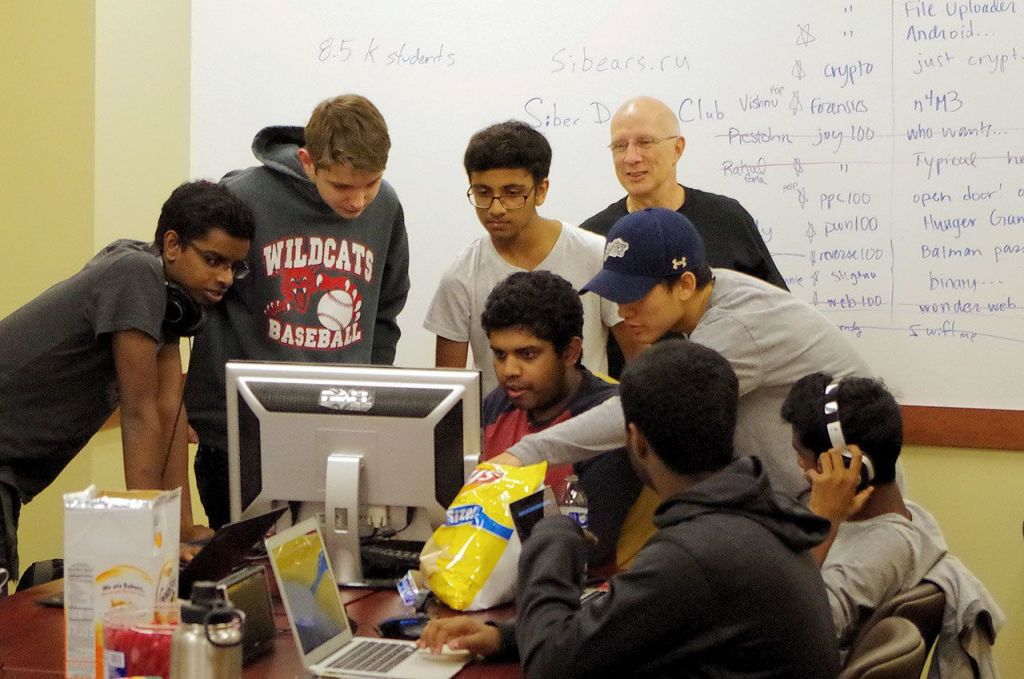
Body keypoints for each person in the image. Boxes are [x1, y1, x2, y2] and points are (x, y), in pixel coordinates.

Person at [419, 340, 841, 679]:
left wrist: (552, 535)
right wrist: (504, 637)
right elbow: (627, 625)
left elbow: (551, 665)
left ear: (635, 441)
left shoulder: (697, 553)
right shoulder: (753, 513)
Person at [495, 207, 873, 502]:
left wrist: (524, 453)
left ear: (685, 284)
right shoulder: (714, 297)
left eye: (635, 296)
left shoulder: (736, 327)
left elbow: (645, 406)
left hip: (845, 506)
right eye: (616, 294)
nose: (623, 311)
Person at [0, 180, 254, 587]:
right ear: (172, 245)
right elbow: (139, 412)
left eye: (234, 267)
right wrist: (152, 539)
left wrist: (183, 530)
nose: (225, 277)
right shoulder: (135, 275)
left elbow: (169, 407)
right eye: (213, 260)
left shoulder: (169, 298)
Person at [185, 94, 410, 529]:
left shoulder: (387, 207)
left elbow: (386, 311)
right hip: (239, 438)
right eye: (343, 186)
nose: (358, 201)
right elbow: (199, 299)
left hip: (340, 435)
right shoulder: (242, 197)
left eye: (371, 183)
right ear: (308, 162)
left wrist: (371, 401)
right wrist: (203, 409)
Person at [424, 120, 636, 395]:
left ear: (541, 190)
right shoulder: (460, 276)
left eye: (512, 193)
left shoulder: (596, 256)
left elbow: (640, 362)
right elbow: (448, 394)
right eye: (483, 193)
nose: (496, 208)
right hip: (500, 432)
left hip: (588, 426)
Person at [582, 95, 786, 377]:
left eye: (645, 142)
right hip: (635, 402)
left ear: (677, 148)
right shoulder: (594, 238)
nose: (631, 157)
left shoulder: (726, 217)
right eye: (620, 146)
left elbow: (775, 313)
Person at [479, 270, 650, 566]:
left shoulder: (604, 422)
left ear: (570, 352)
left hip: (600, 590)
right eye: (500, 355)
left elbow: (588, 548)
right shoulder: (498, 404)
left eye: (528, 354)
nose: (509, 371)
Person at [780, 373, 949, 656]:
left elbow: (793, 627)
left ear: (851, 468)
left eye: (803, 454)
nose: (799, 463)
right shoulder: (897, 519)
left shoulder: (884, 549)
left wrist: (823, 520)